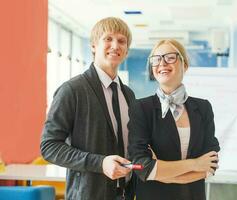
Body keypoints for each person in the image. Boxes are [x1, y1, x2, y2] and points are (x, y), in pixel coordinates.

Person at [40, 17, 136, 200]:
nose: (115, 45)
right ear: (93, 46)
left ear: (126, 51)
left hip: (125, 194)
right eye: (108, 39)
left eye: (121, 41)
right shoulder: (72, 90)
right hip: (88, 194)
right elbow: (49, 146)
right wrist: (100, 163)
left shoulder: (128, 95)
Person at [128, 39, 220, 200]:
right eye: (156, 59)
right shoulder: (141, 108)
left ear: (184, 65)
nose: (162, 63)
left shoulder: (203, 107)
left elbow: (210, 163)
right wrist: (195, 164)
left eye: (170, 57)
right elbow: (142, 166)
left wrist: (161, 171)